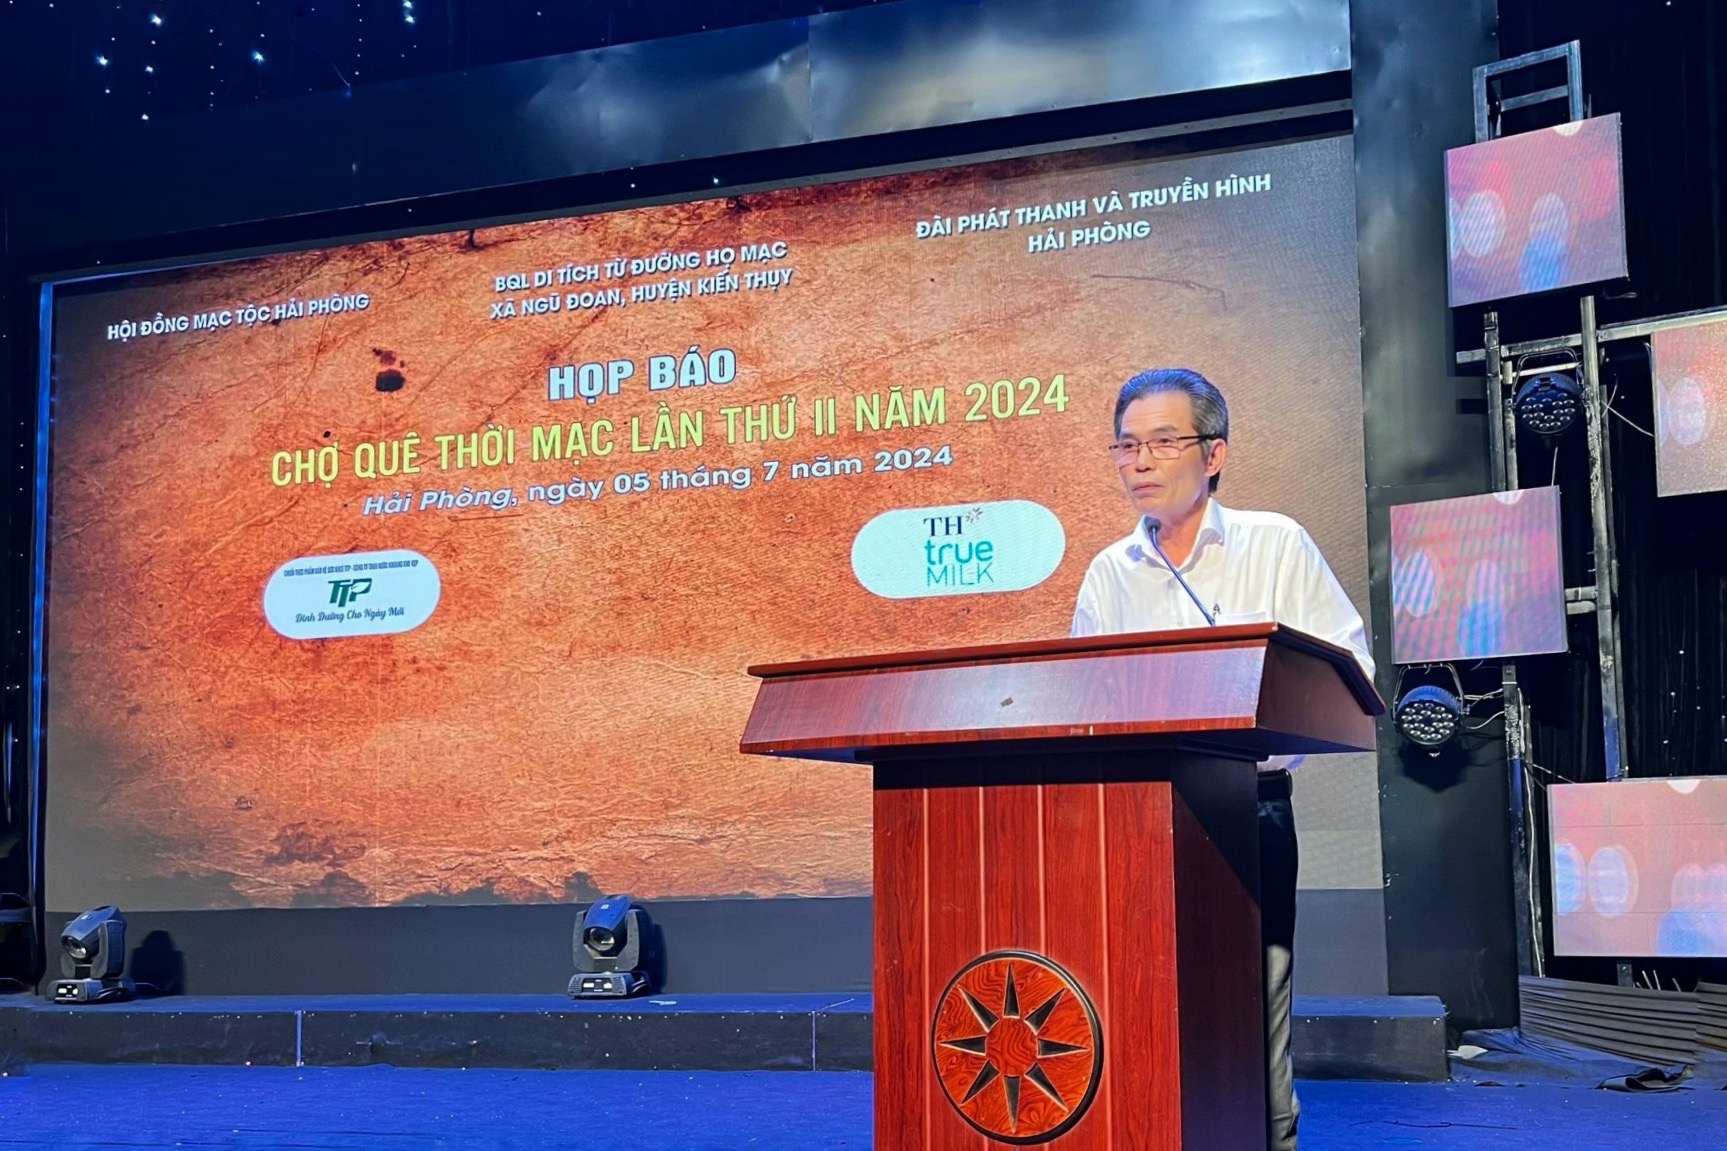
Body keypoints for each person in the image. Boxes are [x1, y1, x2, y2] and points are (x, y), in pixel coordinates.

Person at [1070, 367, 1374, 1151]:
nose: (1139, 461)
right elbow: (1082, 699)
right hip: (1135, 821)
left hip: (1248, 806)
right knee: (1138, 1000)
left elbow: (1349, 674)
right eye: (1125, 445)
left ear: (1213, 454)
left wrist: (1257, 732)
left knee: (1251, 1005)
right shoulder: (1108, 573)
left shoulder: (1274, 544)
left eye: (1161, 441)